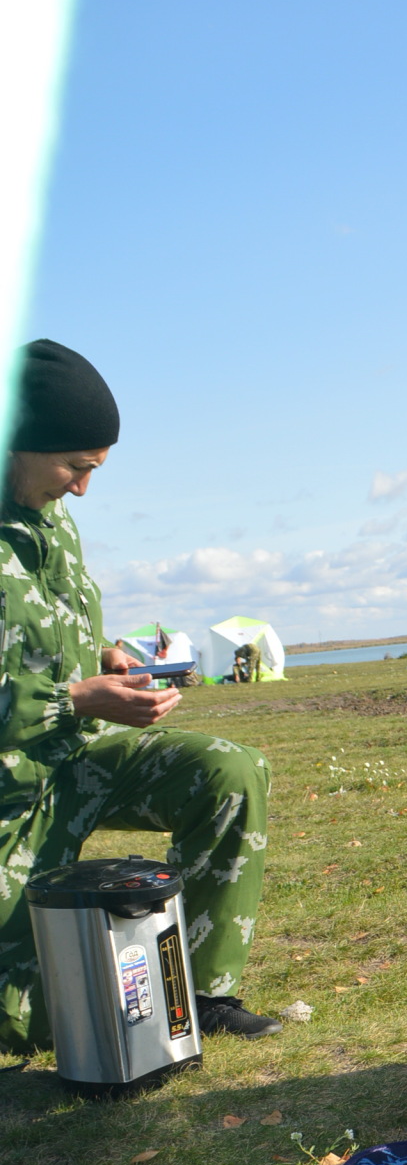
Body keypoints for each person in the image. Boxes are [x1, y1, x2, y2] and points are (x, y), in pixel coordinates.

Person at [0, 339, 280, 1050]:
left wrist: (103, 659)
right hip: (11, 790)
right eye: (75, 466)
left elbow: (44, 627)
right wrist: (75, 698)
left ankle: (201, 990)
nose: (84, 488)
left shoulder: (52, 523)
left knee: (230, 772)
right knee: (24, 1024)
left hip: (74, 755)